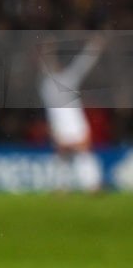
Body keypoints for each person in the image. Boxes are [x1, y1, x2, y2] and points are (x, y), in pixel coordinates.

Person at [37, 34, 106, 192]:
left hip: (73, 122)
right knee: (67, 155)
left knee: (79, 153)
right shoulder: (50, 84)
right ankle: (67, 186)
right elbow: (81, 64)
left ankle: (90, 185)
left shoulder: (60, 80)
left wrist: (94, 48)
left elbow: (82, 64)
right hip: (63, 124)